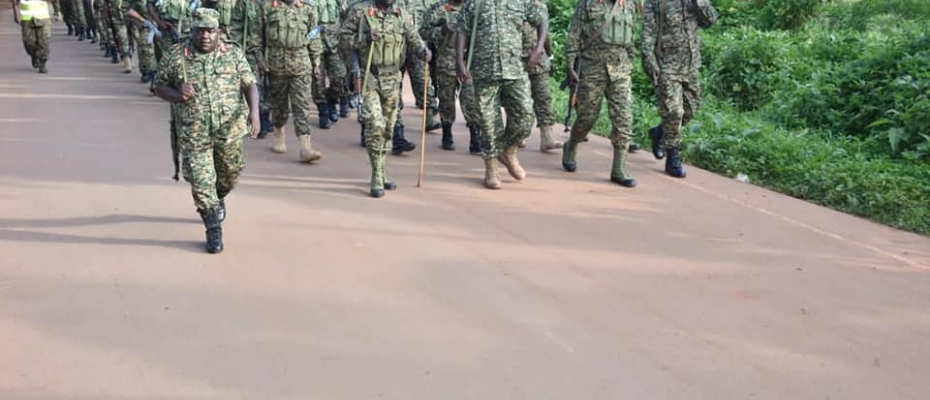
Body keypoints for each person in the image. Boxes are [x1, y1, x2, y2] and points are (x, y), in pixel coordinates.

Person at [152, 7, 261, 253]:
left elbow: (250, 84)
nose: (205, 36)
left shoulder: (232, 53)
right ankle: (213, 227)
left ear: (219, 32)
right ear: (192, 31)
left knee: (230, 174)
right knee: (202, 182)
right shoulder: (176, 55)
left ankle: (218, 195)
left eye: (210, 31)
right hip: (194, 133)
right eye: (199, 31)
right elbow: (158, 86)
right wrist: (177, 94)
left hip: (229, 131)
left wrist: (254, 114)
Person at [341, 0, 431, 198]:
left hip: (392, 79)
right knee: (375, 126)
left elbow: (414, 38)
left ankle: (382, 170)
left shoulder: (401, 14)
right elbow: (342, 39)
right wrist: (364, 38)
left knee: (389, 130)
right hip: (369, 77)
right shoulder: (360, 12)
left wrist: (423, 51)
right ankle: (376, 175)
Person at [455, 0, 546, 190]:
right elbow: (462, 29)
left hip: (515, 69)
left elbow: (541, 20)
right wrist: (460, 62)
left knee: (525, 116)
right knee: (488, 123)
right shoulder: (475, 4)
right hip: (484, 71)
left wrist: (538, 49)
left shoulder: (520, 2)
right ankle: (491, 167)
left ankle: (508, 151)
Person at [561, 0, 638, 187]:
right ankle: (571, 144)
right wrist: (570, 65)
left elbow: (631, 36)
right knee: (587, 116)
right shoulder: (588, 4)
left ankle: (619, 169)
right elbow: (574, 35)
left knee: (624, 117)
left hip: (620, 68)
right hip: (592, 67)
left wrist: (631, 61)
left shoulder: (629, 4)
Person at [641, 0, 717, 178]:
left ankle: (660, 132)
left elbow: (711, 20)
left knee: (691, 109)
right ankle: (673, 155)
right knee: (674, 111)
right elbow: (647, 34)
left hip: (690, 65)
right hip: (667, 65)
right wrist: (650, 63)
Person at [255, 0, 324, 162]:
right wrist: (260, 60)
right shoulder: (267, 7)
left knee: (301, 105)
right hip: (276, 64)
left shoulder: (307, 9)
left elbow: (314, 36)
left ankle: (305, 147)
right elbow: (257, 38)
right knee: (279, 105)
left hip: (301, 64)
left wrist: (316, 63)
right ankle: (279, 134)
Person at [419, 0, 480, 153]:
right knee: (446, 99)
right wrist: (442, 30)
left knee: (471, 99)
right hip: (446, 62)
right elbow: (423, 31)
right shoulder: (439, 9)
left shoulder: (475, 8)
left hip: (469, 62)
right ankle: (447, 133)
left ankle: (475, 137)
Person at [521, 1, 562, 153]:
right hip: (518, 59)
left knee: (543, 97)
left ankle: (547, 137)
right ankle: (518, 135)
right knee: (519, 99)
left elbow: (545, 34)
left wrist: (549, 56)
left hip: (539, 59)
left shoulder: (539, 5)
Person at [13, 0, 53, 74]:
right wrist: (15, 14)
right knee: (29, 42)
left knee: (44, 41)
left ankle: (42, 63)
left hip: (43, 18)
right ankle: (34, 55)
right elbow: (15, 2)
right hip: (27, 19)